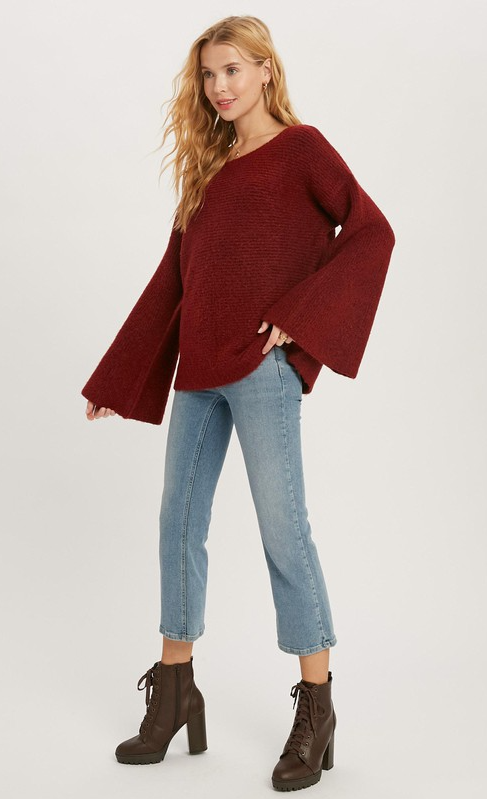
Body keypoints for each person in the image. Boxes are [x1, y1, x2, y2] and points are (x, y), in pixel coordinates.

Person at [81, 14, 395, 792]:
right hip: (198, 373)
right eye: (208, 75)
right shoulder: (210, 167)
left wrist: (300, 314)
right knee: (177, 523)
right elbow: (174, 279)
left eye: (231, 70)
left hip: (261, 372)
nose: (219, 87)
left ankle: (316, 706)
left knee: (284, 532)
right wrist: (116, 378)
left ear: (263, 71)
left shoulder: (303, 150)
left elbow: (370, 232)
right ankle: (175, 691)